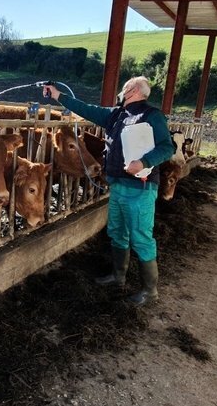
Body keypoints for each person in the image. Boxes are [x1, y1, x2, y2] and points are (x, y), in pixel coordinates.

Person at [42, 77, 175, 304]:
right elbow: (87, 109)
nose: (121, 92)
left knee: (140, 237)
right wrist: (58, 96)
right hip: (117, 185)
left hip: (140, 188)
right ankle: (118, 275)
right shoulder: (116, 115)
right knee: (117, 232)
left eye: (124, 88)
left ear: (133, 90)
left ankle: (149, 291)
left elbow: (167, 147)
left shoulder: (152, 116)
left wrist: (144, 162)